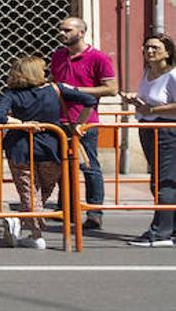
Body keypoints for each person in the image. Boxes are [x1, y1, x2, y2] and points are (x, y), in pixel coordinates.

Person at [0, 55, 96, 250]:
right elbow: (89, 100)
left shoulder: (11, 94)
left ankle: (28, 228)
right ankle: (31, 231)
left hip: (20, 148)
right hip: (52, 147)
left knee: (30, 193)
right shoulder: (56, 89)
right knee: (41, 193)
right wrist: (79, 126)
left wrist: (23, 124)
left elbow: (0, 116)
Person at [51, 16, 118, 230]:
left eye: (67, 30)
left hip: (85, 122)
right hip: (59, 120)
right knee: (63, 167)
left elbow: (111, 88)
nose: (62, 33)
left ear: (81, 32)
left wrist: (77, 91)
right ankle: (67, 210)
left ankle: (94, 212)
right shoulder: (58, 56)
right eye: (61, 29)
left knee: (89, 167)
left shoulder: (99, 58)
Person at [121, 34, 176, 247]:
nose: (149, 51)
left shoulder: (172, 75)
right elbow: (152, 98)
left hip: (166, 130)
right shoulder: (148, 73)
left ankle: (160, 232)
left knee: (164, 182)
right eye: (146, 48)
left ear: (168, 52)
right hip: (148, 128)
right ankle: (171, 228)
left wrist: (151, 109)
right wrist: (134, 98)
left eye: (154, 47)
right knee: (158, 180)